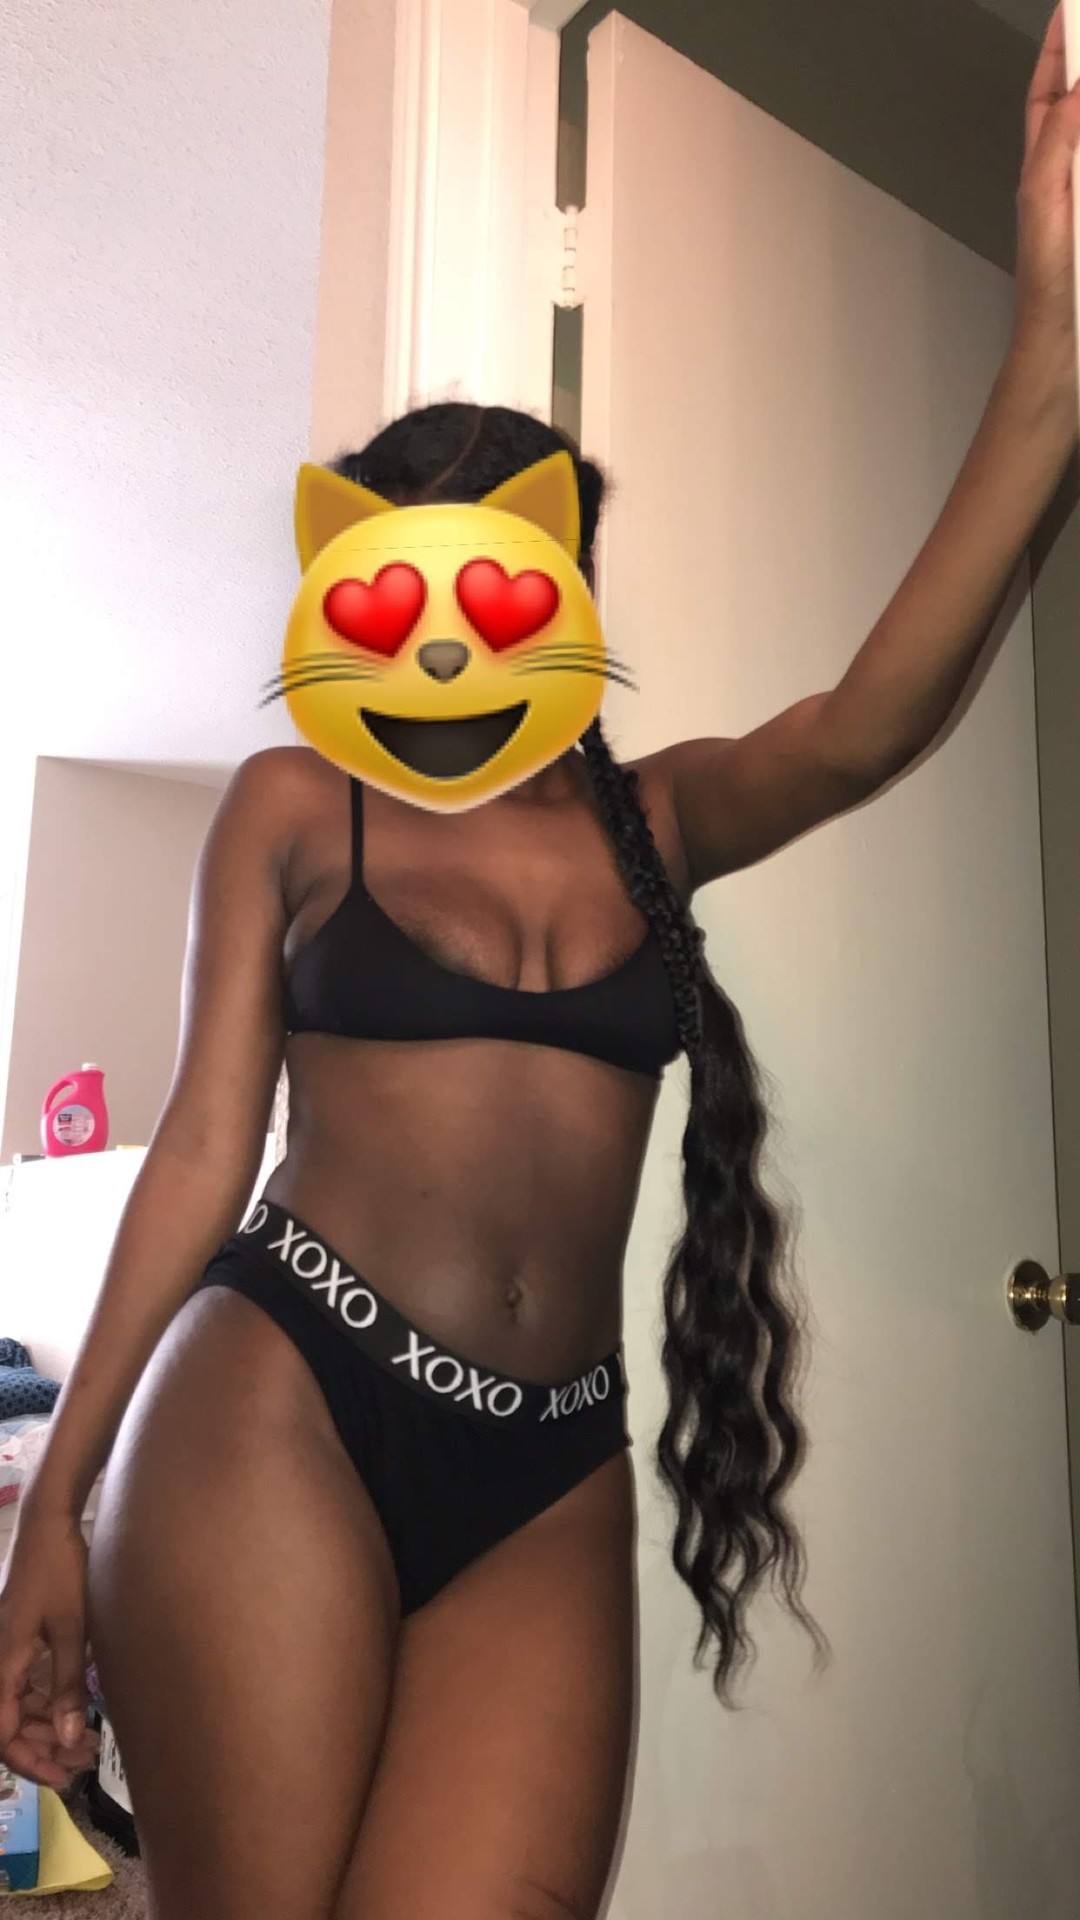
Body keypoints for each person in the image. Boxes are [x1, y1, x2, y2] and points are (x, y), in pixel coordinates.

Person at [1, 13, 1078, 1919]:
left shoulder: (655, 820)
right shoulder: (295, 802)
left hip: (553, 1461)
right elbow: (199, 1153)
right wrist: (54, 1510)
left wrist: (1052, 363)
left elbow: (862, 726)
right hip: (282, 1394)